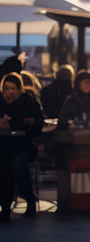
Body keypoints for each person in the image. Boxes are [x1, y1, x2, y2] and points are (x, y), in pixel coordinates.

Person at [0, 73, 44, 220]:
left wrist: (13, 123)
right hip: (5, 146)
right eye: (7, 88)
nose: (10, 92)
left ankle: (29, 199)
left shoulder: (29, 104)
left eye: (13, 88)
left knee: (16, 164)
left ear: (19, 89)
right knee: (4, 166)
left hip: (25, 146)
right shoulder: (1, 104)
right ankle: (5, 206)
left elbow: (36, 126)